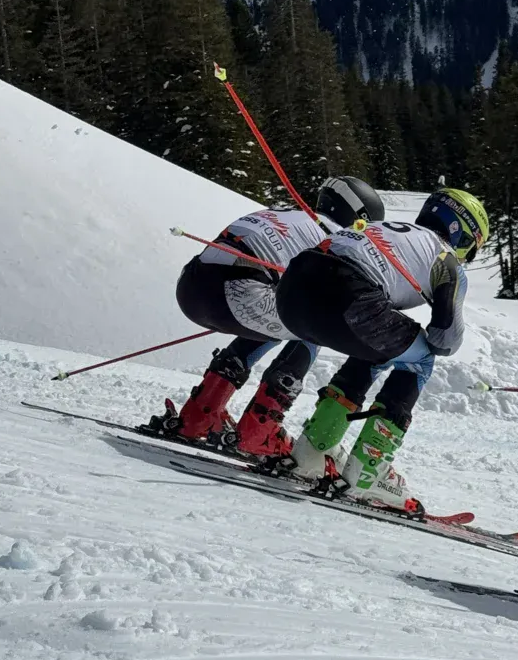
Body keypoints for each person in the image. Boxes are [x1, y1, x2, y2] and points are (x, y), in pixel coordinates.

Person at [273, 188, 489, 510]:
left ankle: (312, 450)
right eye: (471, 249)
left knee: (379, 346)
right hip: (348, 296)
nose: (466, 257)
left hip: (291, 292)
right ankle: (367, 474)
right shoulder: (445, 256)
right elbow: (446, 339)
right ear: (461, 232)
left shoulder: (385, 228)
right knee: (420, 360)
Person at [152, 177, 385, 456]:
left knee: (280, 313)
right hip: (239, 291)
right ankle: (258, 430)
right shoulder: (335, 236)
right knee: (314, 322)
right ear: (359, 218)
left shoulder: (288, 213)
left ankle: (201, 412)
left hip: (192, 286)